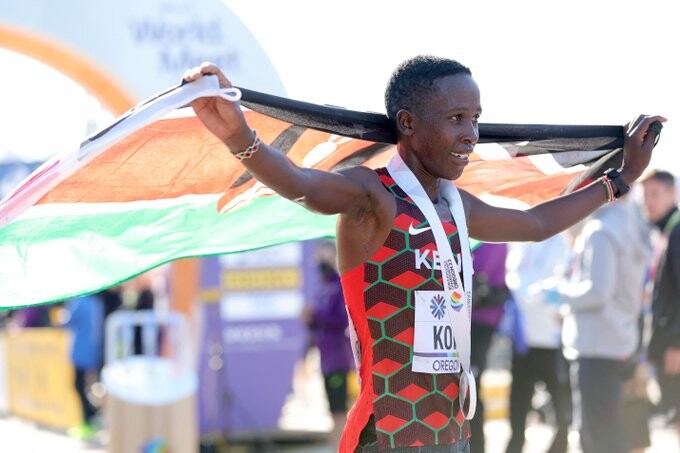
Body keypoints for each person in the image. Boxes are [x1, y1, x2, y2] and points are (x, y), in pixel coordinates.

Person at [184, 56, 664, 453]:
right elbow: (301, 184)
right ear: (408, 123)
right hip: (387, 434)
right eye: (456, 119)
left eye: (475, 119)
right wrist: (239, 138)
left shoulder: (456, 207)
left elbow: (537, 225)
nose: (472, 134)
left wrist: (621, 179)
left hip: (451, 431)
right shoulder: (372, 196)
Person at [557, 192, 652, 453]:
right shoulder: (633, 226)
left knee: (597, 437)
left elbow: (598, 292)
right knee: (611, 433)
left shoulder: (601, 230)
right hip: (621, 341)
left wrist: (560, 290)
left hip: (596, 345)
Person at [504, 233, 573, 453]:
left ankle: (559, 447)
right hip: (523, 340)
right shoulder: (519, 240)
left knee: (562, 405)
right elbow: (512, 277)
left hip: (552, 341)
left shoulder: (560, 240)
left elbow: (564, 279)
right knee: (518, 405)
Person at [303, 246, 355, 450]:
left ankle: (343, 447)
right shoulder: (321, 286)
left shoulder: (338, 285)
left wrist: (316, 315)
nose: (321, 261)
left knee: (340, 408)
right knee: (332, 409)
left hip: (338, 358)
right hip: (325, 358)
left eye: (325, 256)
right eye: (319, 256)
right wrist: (310, 319)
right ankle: (338, 446)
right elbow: (318, 324)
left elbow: (341, 320)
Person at [641, 169, 680, 432]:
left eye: (655, 194)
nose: (648, 201)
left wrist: (677, 343)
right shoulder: (665, 231)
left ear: (672, 193)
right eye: (645, 195)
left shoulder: (677, 231)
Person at [468, 242, 510, 453]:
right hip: (466, 319)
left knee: (470, 387)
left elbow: (479, 272)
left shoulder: (494, 238)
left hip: (480, 321)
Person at [62, 294, 104, 438]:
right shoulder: (96, 303)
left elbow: (68, 322)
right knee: (87, 386)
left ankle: (89, 418)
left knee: (79, 386)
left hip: (81, 352)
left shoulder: (79, 302)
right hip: (93, 351)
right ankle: (90, 417)